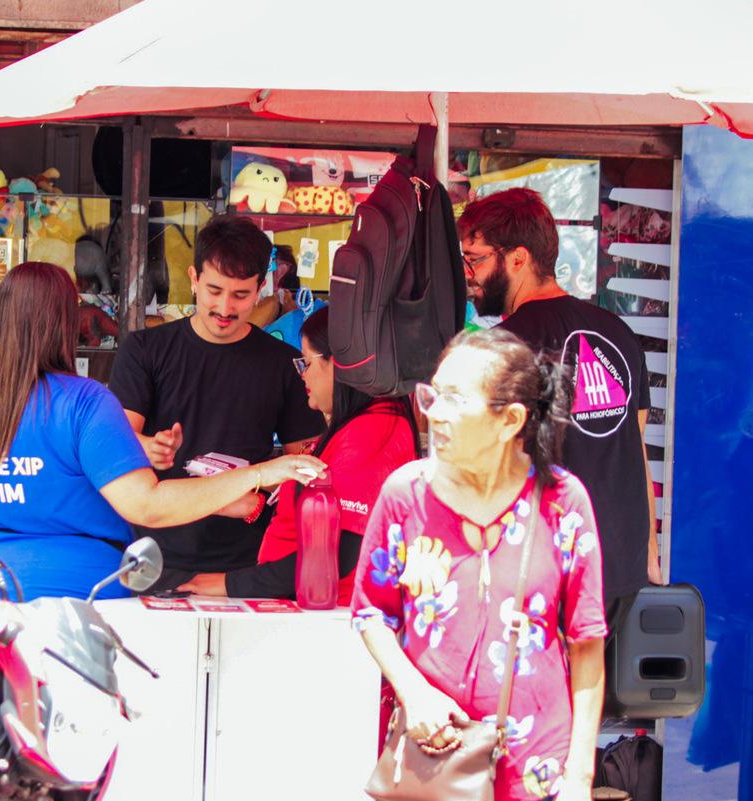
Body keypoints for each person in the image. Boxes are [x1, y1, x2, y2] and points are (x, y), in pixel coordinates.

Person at [0, 262, 325, 619]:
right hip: (76, 599)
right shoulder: (84, 402)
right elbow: (148, 505)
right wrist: (259, 472)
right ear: (62, 321)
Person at [352, 328, 606, 801]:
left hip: (538, 768)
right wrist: (415, 692)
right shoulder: (406, 494)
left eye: (454, 400)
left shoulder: (563, 502)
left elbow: (586, 644)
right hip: (433, 757)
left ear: (510, 420)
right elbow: (371, 613)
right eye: (433, 396)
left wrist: (579, 778)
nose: (435, 414)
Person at [458, 187, 659, 623]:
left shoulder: (503, 347)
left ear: (517, 258)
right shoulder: (618, 332)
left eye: (474, 259)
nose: (467, 273)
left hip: (543, 575)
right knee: (597, 693)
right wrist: (649, 555)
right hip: (619, 568)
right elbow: (636, 449)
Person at [109, 215, 327, 590]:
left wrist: (265, 492)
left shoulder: (281, 363)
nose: (225, 307)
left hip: (242, 564)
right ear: (194, 278)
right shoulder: (144, 350)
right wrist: (151, 447)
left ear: (261, 288)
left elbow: (306, 462)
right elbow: (115, 444)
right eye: (213, 290)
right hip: (151, 555)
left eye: (241, 295)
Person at [176, 307, 418, 600]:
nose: (302, 375)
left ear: (338, 364)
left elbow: (340, 555)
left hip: (330, 612)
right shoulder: (361, 425)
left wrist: (228, 585)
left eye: (307, 363)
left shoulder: (374, 430)